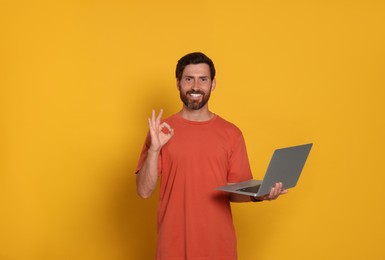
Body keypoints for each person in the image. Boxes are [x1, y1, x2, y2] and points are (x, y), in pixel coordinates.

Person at [135, 52, 288, 260]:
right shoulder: (160, 131)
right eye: (189, 79)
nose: (196, 86)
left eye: (203, 79)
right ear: (178, 83)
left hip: (218, 249)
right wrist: (153, 150)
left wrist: (261, 195)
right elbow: (144, 191)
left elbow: (235, 192)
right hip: (173, 249)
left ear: (213, 84)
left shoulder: (232, 134)